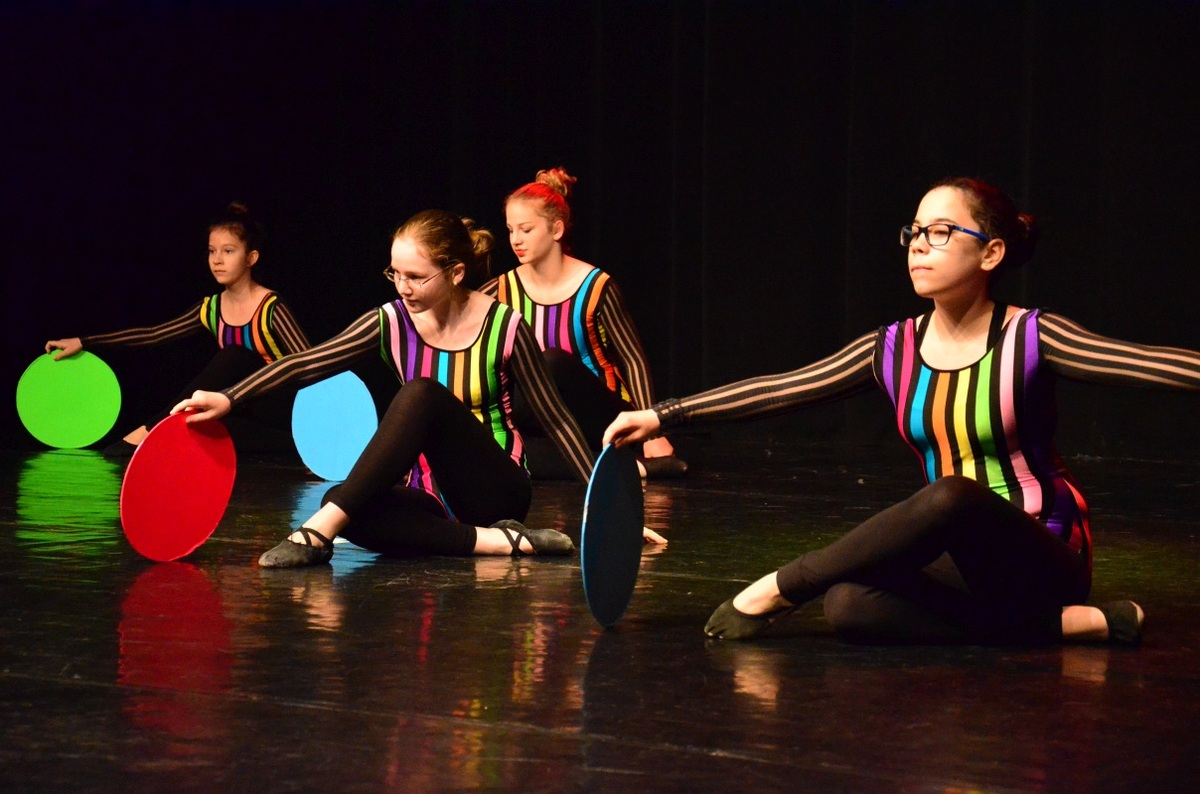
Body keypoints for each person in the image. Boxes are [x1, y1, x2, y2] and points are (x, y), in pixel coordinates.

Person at [604, 176, 1200, 646]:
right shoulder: (893, 348)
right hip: (961, 559)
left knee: (951, 495)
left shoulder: (1031, 337)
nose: (918, 243)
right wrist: (663, 416)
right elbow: (786, 388)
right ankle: (1069, 626)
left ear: (991, 252)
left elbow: (1146, 363)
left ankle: (782, 586)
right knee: (850, 606)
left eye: (940, 232)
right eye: (915, 231)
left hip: (1043, 551)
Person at [173, 210, 598, 568]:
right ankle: (500, 543)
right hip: (428, 496)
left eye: (416, 277)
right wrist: (230, 396)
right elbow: (307, 361)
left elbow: (557, 420)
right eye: (395, 273)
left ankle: (317, 533)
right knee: (342, 502)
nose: (402, 287)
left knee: (422, 393)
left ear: (455, 273)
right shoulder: (391, 321)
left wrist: (603, 507)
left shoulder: (505, 325)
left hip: (493, 491)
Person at [45, 202, 310, 457]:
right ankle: (293, 446)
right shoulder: (211, 308)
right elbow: (154, 334)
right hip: (242, 408)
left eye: (228, 251)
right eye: (212, 251)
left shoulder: (271, 306)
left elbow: (311, 367)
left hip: (284, 407)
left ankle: (153, 429)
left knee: (235, 355)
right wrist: (84, 341)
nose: (217, 260)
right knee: (199, 427)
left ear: (251, 258)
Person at [479, 167, 687, 479]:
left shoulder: (596, 286)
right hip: (544, 423)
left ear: (556, 229)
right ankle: (633, 469)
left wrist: (653, 432)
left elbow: (632, 359)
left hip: (601, 419)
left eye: (526, 229)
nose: (516, 240)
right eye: (510, 230)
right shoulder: (500, 290)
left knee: (550, 362)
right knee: (490, 450)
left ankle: (620, 458)